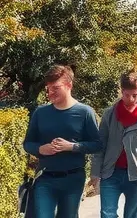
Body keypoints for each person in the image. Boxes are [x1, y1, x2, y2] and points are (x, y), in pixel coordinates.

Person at [22, 65, 102, 218]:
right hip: (44, 178)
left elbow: (97, 145)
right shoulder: (40, 113)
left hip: (73, 180)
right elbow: (28, 144)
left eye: (55, 88)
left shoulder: (85, 112)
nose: (50, 92)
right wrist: (41, 149)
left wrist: (72, 147)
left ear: (69, 85)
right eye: (48, 88)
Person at [90, 72, 137, 218]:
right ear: (121, 91)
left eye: (135, 95)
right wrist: (95, 172)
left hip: (136, 175)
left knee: (132, 215)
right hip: (111, 173)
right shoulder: (110, 114)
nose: (131, 99)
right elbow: (100, 145)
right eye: (126, 94)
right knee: (107, 214)